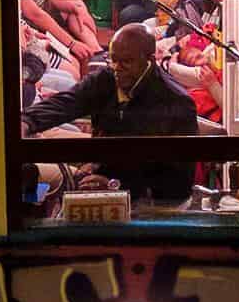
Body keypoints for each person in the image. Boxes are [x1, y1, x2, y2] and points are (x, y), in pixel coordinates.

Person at [20, 24, 198, 203]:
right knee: (29, 177)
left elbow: (178, 183)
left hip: (152, 202)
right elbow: (66, 102)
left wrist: (117, 185)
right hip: (100, 181)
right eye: (113, 60)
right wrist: (26, 121)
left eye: (126, 62)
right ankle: (27, 217)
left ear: (149, 60)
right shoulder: (106, 78)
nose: (117, 68)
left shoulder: (176, 102)